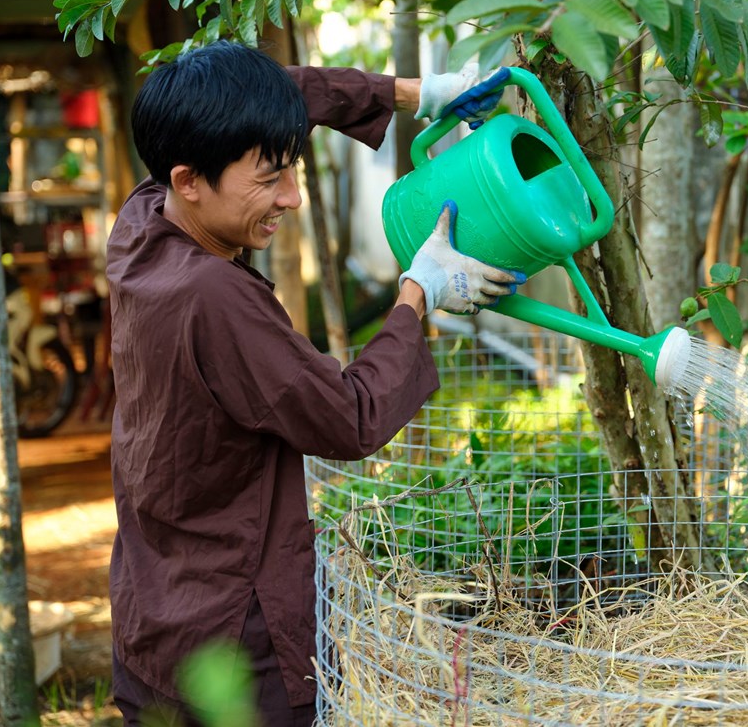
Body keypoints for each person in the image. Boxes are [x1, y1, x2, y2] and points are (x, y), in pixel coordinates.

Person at [107, 40, 525, 726]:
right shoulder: (214, 298)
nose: (292, 197)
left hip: (154, 614)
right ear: (190, 180)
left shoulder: (143, 220)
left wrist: (416, 94)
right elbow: (349, 417)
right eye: (270, 179)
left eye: (290, 170)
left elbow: (271, 94)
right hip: (236, 647)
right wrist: (417, 293)